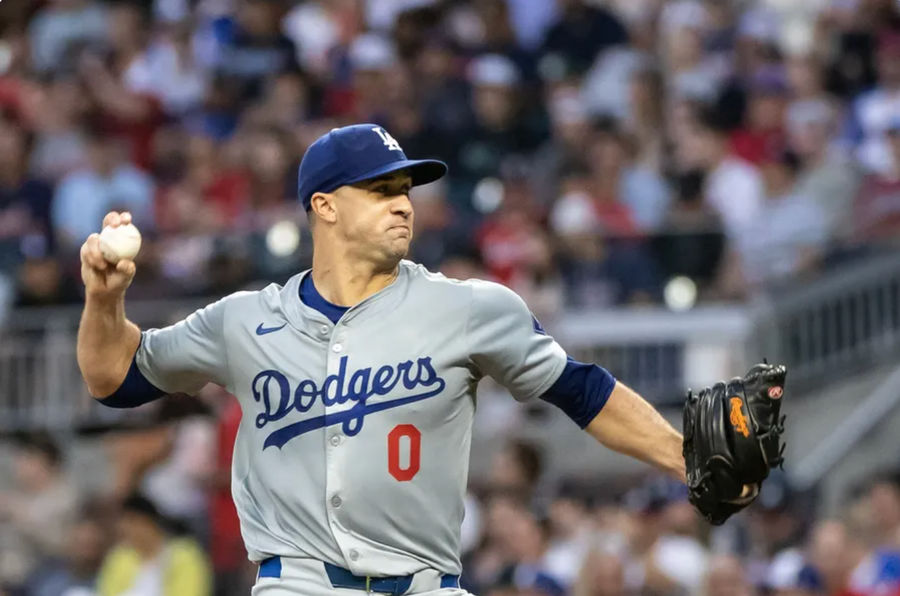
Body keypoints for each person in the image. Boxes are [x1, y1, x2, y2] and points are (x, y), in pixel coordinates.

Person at [76, 123, 704, 596]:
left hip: (429, 583)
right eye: (380, 189)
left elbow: (583, 390)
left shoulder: (470, 308)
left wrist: (687, 459)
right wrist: (105, 299)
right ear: (324, 205)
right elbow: (115, 379)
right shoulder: (243, 320)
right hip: (299, 584)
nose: (403, 203)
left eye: (404, 189)